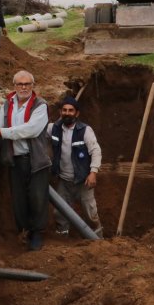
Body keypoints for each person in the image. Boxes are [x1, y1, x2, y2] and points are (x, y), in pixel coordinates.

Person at [0, 70, 51, 251]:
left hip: (36, 160)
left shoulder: (40, 105)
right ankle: (24, 231)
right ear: (14, 86)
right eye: (20, 84)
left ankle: (37, 233)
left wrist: (4, 132)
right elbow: (0, 123)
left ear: (33, 86)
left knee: (38, 198)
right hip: (15, 159)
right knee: (19, 199)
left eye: (27, 84)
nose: (24, 87)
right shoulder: (8, 103)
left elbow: (31, 130)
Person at [47, 96, 103, 238]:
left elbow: (96, 151)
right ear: (60, 112)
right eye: (64, 110)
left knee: (91, 213)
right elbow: (35, 131)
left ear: (77, 113)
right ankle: (62, 237)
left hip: (83, 181)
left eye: (71, 110)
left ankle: (98, 240)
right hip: (64, 180)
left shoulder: (85, 131)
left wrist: (93, 172)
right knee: (60, 212)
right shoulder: (53, 128)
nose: (67, 113)